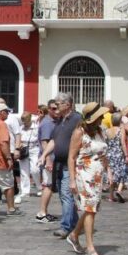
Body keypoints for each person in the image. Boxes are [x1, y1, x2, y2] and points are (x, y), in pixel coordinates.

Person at [66, 103, 110, 255]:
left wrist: (108, 171)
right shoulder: (79, 132)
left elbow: (103, 152)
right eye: (100, 116)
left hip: (97, 175)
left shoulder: (100, 131)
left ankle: (74, 234)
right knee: (90, 209)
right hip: (84, 174)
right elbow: (71, 157)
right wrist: (71, 180)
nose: (103, 118)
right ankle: (90, 247)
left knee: (92, 208)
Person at [41, 94, 81, 237]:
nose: (56, 107)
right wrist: (44, 155)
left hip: (69, 164)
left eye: (58, 104)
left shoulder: (77, 119)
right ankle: (75, 224)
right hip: (59, 164)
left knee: (66, 196)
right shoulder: (59, 121)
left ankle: (66, 227)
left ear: (68, 104)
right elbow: (53, 140)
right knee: (65, 196)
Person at [36, 101, 59, 219]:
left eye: (57, 108)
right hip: (48, 159)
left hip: (54, 158)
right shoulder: (47, 123)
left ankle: (44, 211)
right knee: (48, 185)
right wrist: (48, 159)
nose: (56, 111)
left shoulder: (54, 121)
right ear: (49, 109)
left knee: (50, 185)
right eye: (54, 109)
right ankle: (42, 212)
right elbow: (44, 142)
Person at [102, 112, 128, 203]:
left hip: (109, 154)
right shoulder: (121, 130)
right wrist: (126, 155)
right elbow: (123, 144)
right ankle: (119, 190)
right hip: (119, 154)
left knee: (111, 175)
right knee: (122, 172)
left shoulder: (107, 131)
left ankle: (111, 196)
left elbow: (105, 143)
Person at [18, 110, 40, 202]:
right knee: (23, 170)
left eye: (26, 121)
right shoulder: (21, 128)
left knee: (35, 169)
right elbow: (18, 138)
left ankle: (39, 187)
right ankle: (25, 190)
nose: (24, 123)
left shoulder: (36, 127)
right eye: (23, 121)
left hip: (34, 148)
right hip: (24, 149)